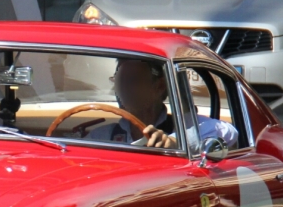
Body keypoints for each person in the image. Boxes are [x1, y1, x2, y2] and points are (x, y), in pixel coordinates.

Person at [85, 59, 238, 149]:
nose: (123, 88)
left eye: (132, 80)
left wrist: (175, 141)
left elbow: (228, 132)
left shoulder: (182, 127)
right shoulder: (103, 136)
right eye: (119, 80)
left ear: (160, 86)